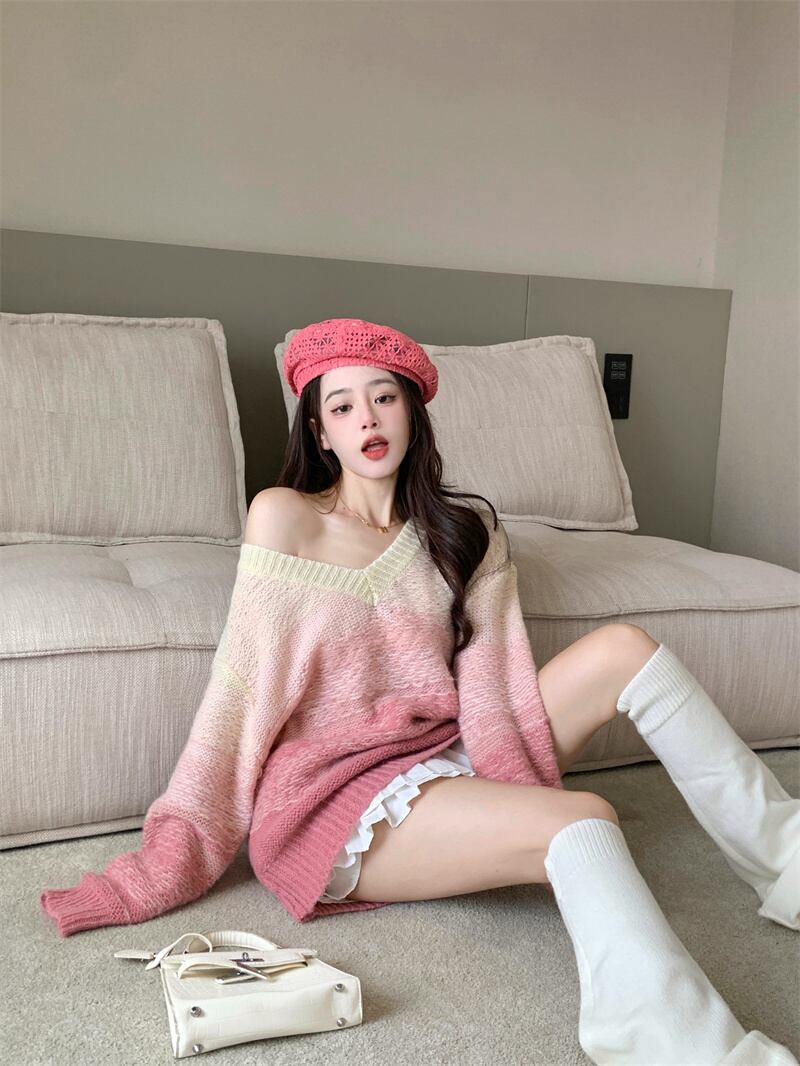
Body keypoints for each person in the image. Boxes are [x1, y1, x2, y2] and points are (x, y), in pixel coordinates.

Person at [40, 318, 799, 1065]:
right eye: (342, 407)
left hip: (450, 749)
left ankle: (790, 866)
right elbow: (241, 694)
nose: (367, 420)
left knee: (626, 650)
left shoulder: (465, 531)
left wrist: (511, 802)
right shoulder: (285, 518)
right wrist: (168, 856)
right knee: (585, 819)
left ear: (412, 410)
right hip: (339, 799)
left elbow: (494, 687)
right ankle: (681, 1048)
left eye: (384, 398)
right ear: (320, 432)